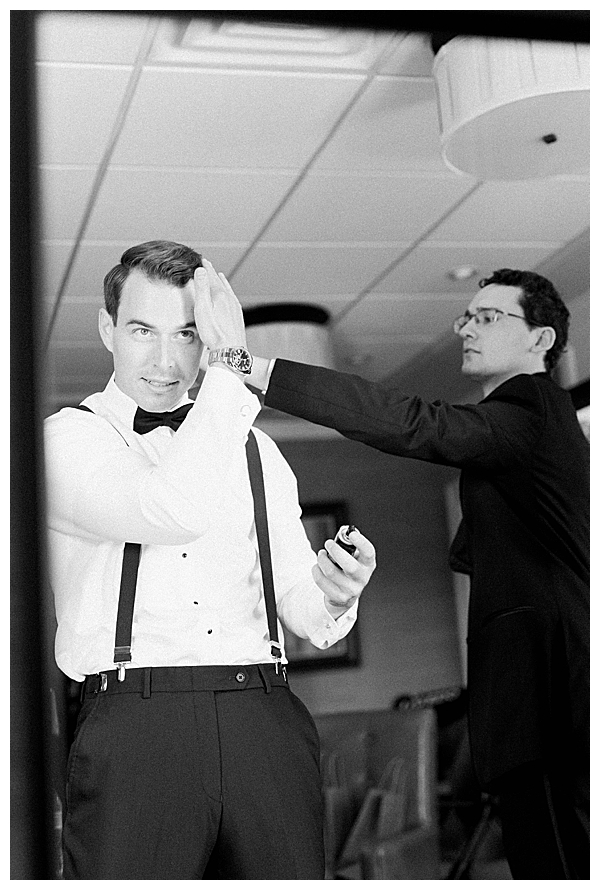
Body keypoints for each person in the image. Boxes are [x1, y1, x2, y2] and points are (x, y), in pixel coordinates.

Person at [197, 267, 590, 880]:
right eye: (468, 316)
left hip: (547, 694)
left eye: (489, 317)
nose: (468, 328)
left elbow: (414, 421)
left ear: (541, 341)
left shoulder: (531, 405)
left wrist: (246, 363)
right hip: (537, 689)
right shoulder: (525, 427)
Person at [44, 240, 376, 880]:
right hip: (135, 725)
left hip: (265, 718)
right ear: (108, 330)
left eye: (190, 335)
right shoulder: (65, 441)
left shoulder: (259, 452)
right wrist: (229, 365)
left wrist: (336, 592)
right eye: (143, 331)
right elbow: (171, 509)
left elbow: (303, 609)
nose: (167, 360)